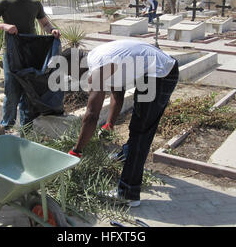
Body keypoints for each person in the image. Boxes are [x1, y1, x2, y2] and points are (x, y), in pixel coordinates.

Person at [63, 40, 179, 207]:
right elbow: (118, 93)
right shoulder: (97, 55)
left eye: (70, 72)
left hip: (161, 74)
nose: (74, 77)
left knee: (140, 132)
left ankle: (128, 193)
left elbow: (91, 115)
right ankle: (126, 157)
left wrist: (77, 150)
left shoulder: (98, 66)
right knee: (138, 127)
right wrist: (109, 124)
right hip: (156, 71)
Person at [0, 0, 61, 132]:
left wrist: (52, 30)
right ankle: (6, 126)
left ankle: (26, 128)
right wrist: (4, 26)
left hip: (30, 53)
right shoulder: (6, 2)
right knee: (11, 90)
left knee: (29, 90)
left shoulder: (35, 4)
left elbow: (44, 23)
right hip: (11, 53)